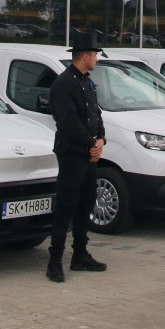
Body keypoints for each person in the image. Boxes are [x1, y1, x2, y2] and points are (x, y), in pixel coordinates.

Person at [46, 32, 108, 283]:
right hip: (72, 153)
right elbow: (68, 121)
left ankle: (80, 255)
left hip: (89, 153)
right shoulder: (64, 84)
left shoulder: (87, 82)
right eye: (95, 55)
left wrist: (101, 139)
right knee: (66, 206)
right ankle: (54, 261)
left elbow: (96, 114)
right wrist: (91, 144)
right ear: (85, 56)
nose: (96, 60)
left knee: (85, 204)